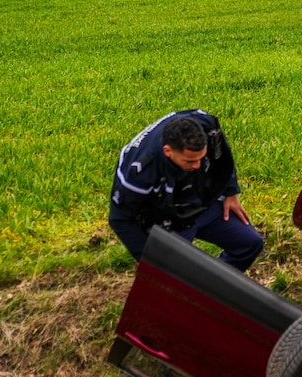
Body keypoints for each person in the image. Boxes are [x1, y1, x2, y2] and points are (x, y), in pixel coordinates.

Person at [109, 110, 263, 272]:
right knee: (177, 275)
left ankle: (210, 292)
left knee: (250, 243)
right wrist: (152, 261)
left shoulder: (204, 125)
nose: (197, 165)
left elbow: (221, 153)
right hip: (169, 222)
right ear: (168, 151)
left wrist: (231, 191)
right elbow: (119, 219)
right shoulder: (139, 174)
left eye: (201, 159)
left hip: (201, 202)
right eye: (190, 161)